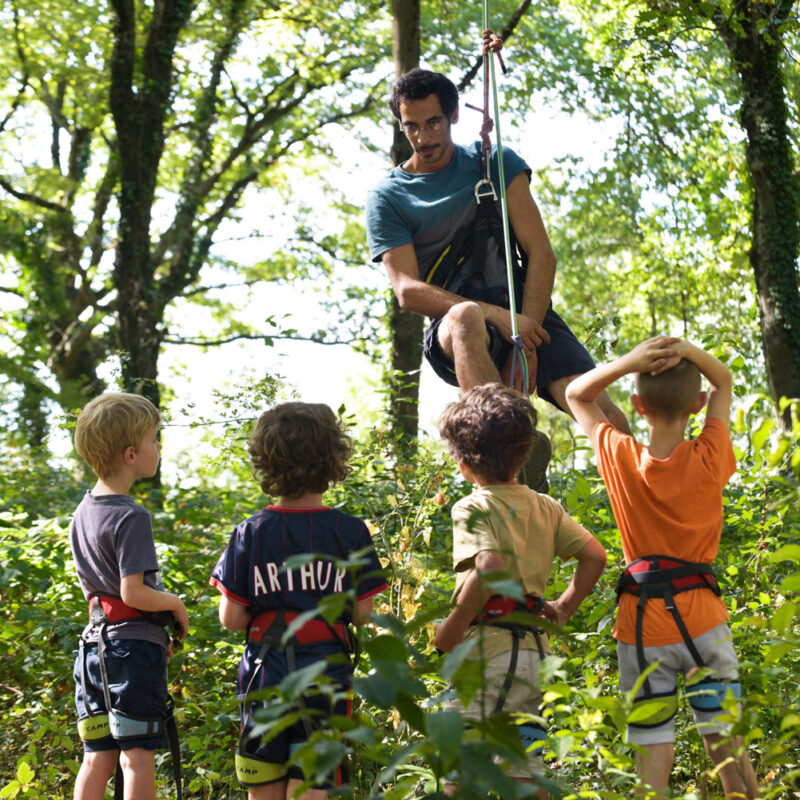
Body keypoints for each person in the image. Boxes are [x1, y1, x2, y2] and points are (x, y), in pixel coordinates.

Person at [365, 34, 629, 489]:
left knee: (608, 416)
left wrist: (527, 324)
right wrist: (500, 318)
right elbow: (407, 291)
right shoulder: (388, 196)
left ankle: (647, 519)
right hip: (459, 324)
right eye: (411, 127)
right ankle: (502, 454)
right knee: (465, 314)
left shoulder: (495, 163)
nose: (423, 138)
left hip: (526, 303)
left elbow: (541, 253)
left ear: (452, 115)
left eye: (433, 123)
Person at [565, 337, 760, 799]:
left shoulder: (620, 456)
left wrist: (629, 362)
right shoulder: (710, 455)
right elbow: (724, 381)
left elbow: (577, 394)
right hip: (703, 624)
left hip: (640, 628)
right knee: (726, 739)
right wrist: (688, 350)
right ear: (697, 404)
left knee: (651, 752)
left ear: (635, 404)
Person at [434, 383, 607, 792]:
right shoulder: (546, 507)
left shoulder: (473, 506)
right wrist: (563, 607)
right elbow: (595, 556)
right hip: (533, 656)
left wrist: (453, 627)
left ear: (462, 463)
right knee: (525, 771)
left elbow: (489, 566)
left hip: (487, 654)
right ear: (525, 454)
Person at [210, 402, 387, 800]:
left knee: (263, 785)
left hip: (264, 674)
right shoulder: (350, 531)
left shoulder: (249, 533)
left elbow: (231, 618)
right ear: (333, 458)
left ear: (265, 462)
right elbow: (362, 614)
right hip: (326, 673)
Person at [70, 392, 189, 800]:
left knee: (96, 757)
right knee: (136, 757)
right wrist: (174, 604)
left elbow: (101, 595)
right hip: (129, 654)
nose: (160, 446)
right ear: (131, 453)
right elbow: (132, 592)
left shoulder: (83, 511)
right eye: (155, 438)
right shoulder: (131, 515)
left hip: (92, 650)